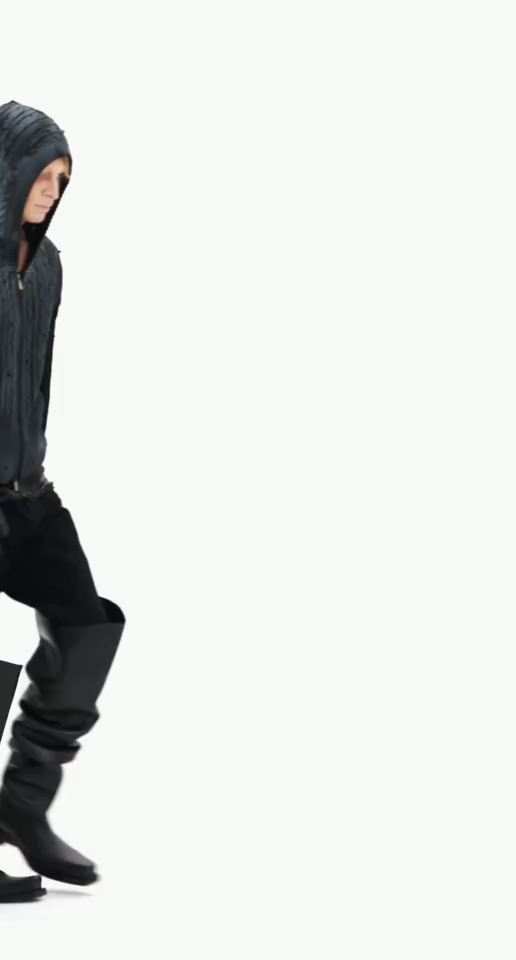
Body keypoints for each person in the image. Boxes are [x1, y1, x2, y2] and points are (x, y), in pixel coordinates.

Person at [0, 100, 125, 902]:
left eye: (61, 180)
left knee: (85, 625)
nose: (50, 192)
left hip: (25, 491)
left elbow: (37, 377)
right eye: (40, 176)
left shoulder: (46, 265)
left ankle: (22, 805)